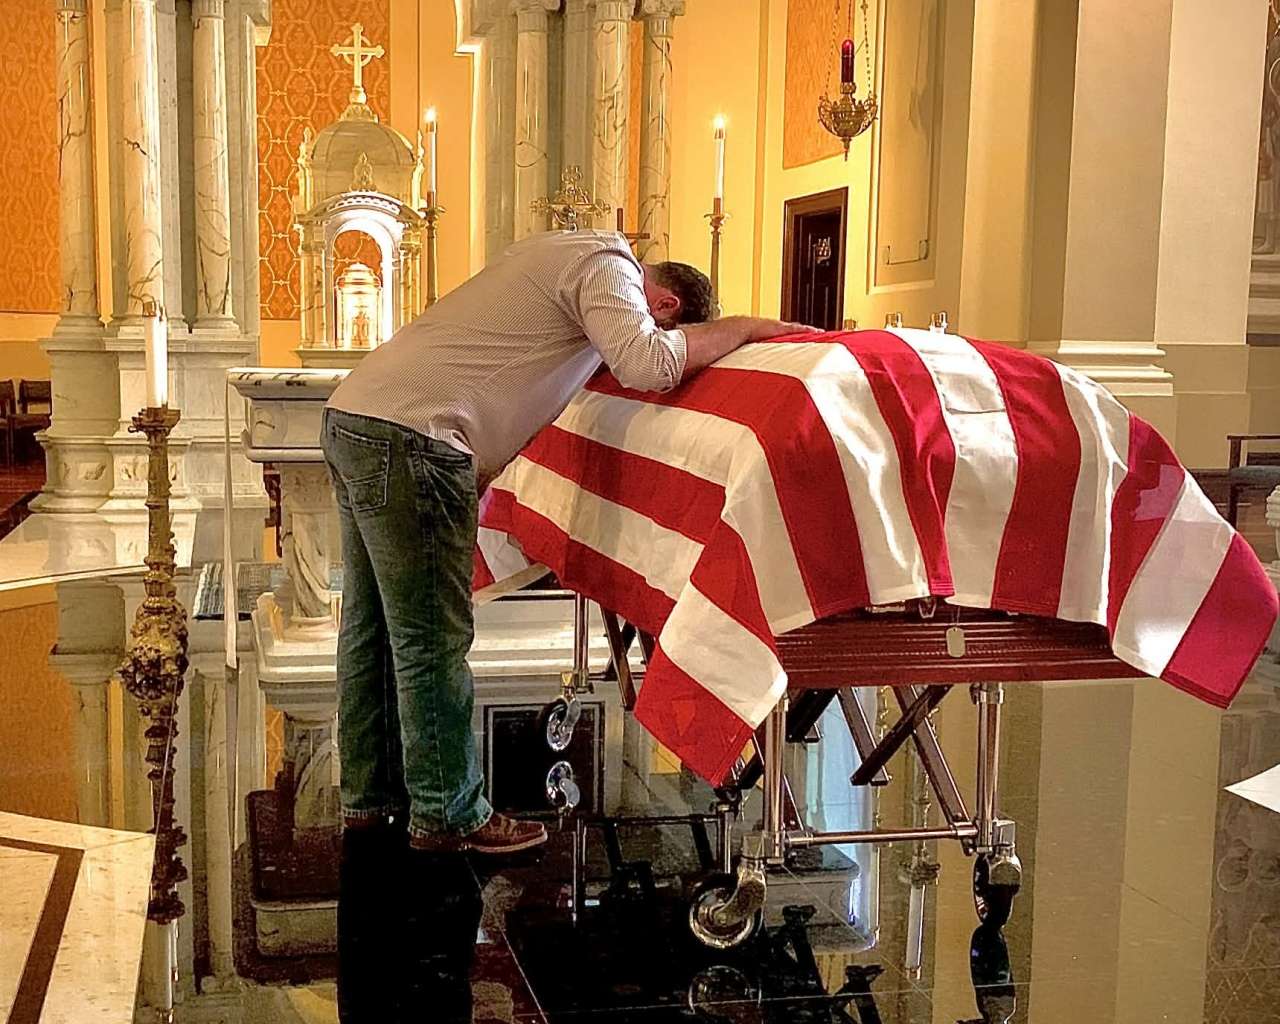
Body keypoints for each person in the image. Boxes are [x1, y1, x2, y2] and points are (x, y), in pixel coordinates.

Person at [323, 228, 817, 855]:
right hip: (416, 439)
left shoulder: (552, 255)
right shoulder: (605, 264)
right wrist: (747, 328)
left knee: (368, 630)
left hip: (358, 417)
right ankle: (447, 812)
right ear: (660, 306)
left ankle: (369, 798)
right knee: (430, 638)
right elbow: (648, 365)